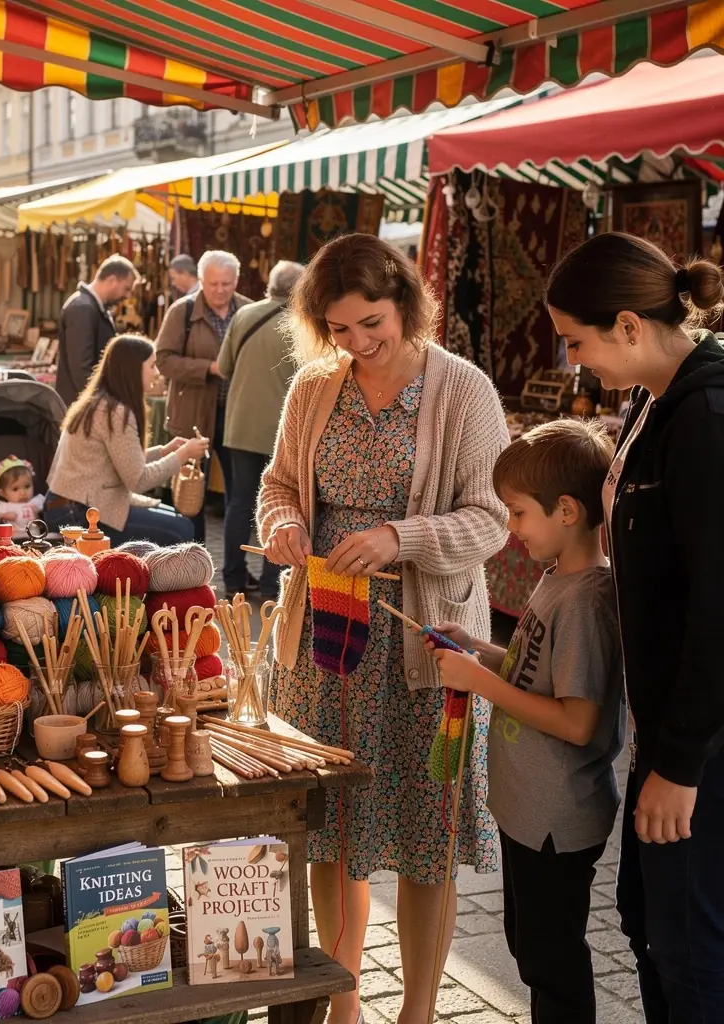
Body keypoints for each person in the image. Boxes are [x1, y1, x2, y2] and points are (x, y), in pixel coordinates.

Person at [257, 233, 508, 1024]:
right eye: (339, 329)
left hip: (424, 645)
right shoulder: (313, 388)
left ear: (404, 301)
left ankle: (419, 1012)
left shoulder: (463, 390)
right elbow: (278, 484)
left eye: (372, 323)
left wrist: (402, 537)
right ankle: (345, 1002)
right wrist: (283, 523)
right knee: (332, 833)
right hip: (326, 645)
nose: (358, 342)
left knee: (426, 834)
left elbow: (492, 518)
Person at [545, 232, 724, 1022]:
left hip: (704, 745)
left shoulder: (706, 417)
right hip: (670, 726)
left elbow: (718, 609)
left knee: (689, 950)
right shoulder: (655, 399)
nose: (575, 361)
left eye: (577, 341)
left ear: (627, 325)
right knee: (652, 927)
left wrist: (679, 764)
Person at [426, 418, 624, 1024]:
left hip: (557, 821)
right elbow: (531, 671)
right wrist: (478, 650)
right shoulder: (557, 576)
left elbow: (578, 722)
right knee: (530, 948)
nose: (511, 529)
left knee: (551, 962)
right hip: (531, 813)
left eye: (517, 513)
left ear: (566, 510)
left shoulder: (586, 600)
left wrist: (480, 683)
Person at [45, 334, 209, 546]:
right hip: (77, 513)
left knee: (178, 520)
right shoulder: (114, 412)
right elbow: (138, 480)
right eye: (152, 366)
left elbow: (124, 462)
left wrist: (164, 451)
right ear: (133, 369)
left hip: (72, 506)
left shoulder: (101, 403)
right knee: (182, 528)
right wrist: (182, 455)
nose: (157, 373)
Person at [219, 259, 302, 599]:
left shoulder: (243, 315)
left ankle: (233, 579)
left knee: (240, 502)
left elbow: (223, 366)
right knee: (281, 503)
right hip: (281, 430)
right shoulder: (301, 324)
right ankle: (272, 583)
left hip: (240, 424)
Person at [155, 250, 251, 542]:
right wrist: (208, 368)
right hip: (193, 415)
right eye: (213, 284)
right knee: (190, 494)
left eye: (226, 283)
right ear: (201, 281)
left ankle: (235, 562)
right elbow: (163, 360)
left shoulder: (248, 311)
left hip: (237, 415)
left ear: (236, 281)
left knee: (241, 494)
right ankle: (192, 557)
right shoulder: (182, 312)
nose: (220, 290)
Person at [55, 254, 140, 407]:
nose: (127, 296)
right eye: (126, 288)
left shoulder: (95, 308)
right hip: (82, 408)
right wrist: (100, 404)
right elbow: (81, 369)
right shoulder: (83, 308)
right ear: (112, 280)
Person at [0, 456, 45, 538]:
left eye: (27, 486)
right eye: (15, 489)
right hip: (14, 538)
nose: (23, 493)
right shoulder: (4, 506)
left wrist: (39, 514)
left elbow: (49, 508)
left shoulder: (36, 501)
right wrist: (5, 515)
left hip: (36, 537)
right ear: (2, 493)